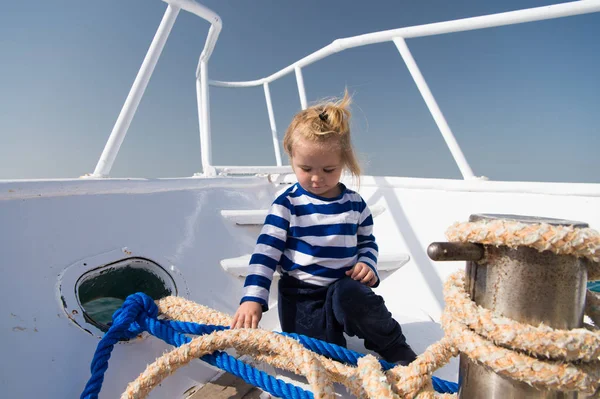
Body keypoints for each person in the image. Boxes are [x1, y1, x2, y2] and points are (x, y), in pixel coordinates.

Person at [231, 91, 417, 365]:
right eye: (306, 168)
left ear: (344, 161)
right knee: (322, 358)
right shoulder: (287, 204)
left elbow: (367, 243)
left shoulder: (354, 204)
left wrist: (367, 264)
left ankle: (394, 345)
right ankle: (331, 339)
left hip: (344, 287)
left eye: (329, 170)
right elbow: (265, 255)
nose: (317, 179)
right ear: (291, 158)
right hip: (301, 295)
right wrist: (253, 299)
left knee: (355, 298)